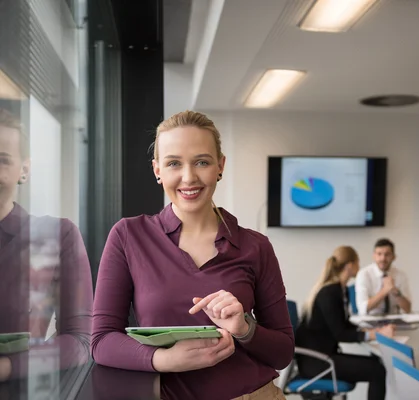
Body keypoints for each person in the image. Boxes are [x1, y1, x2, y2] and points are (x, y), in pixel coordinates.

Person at [91, 111, 293, 400]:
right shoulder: (128, 236)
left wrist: (244, 328)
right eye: (174, 163)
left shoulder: (255, 245)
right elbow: (101, 341)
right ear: (157, 170)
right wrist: (166, 360)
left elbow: (283, 353)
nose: (189, 177)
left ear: (220, 166)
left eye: (202, 162)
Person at [0, 108, 93, 381]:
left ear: (24, 169)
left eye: (1, 160)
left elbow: (81, 342)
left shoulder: (58, 235)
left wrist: (6, 368)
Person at [295, 246, 393, 400]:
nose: (359, 267)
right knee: (378, 370)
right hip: (317, 362)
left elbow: (343, 323)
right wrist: (374, 334)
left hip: (323, 356)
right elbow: (340, 333)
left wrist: (369, 330)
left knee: (376, 363)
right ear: (349, 265)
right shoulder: (330, 292)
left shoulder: (341, 290)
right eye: (358, 263)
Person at [355, 238, 412, 315]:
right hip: (370, 320)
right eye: (379, 254)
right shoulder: (364, 274)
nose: (383, 258)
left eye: (387, 254)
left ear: (394, 257)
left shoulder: (400, 275)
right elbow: (363, 308)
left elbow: (408, 309)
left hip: (394, 320)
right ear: (374, 256)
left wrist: (396, 293)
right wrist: (384, 291)